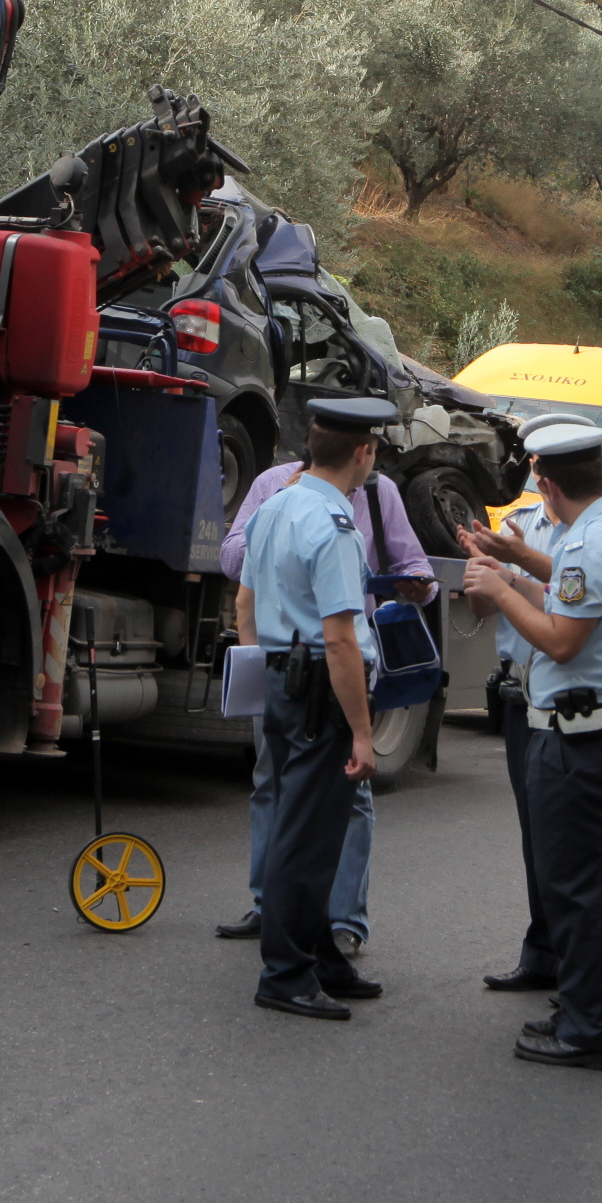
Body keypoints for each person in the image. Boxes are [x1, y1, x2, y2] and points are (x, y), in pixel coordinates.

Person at [458, 420, 602, 1071]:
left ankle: (589, 1028)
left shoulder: (587, 544)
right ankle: (587, 1000)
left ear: (545, 484)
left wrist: (498, 590)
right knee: (592, 879)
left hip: (584, 736)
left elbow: (560, 639)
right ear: (601, 470)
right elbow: (579, 599)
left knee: (574, 887)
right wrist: (521, 573)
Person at [215, 444, 436, 954]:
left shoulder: (380, 495)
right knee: (271, 782)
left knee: (350, 794)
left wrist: (416, 586)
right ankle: (270, 905)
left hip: (342, 669)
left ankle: (342, 923)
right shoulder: (274, 490)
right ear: (358, 450)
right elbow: (232, 563)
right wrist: (287, 535)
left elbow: (415, 570)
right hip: (282, 665)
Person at [235, 398, 398, 1021]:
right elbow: (340, 639)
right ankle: (285, 973)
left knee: (308, 828)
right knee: (307, 837)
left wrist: (262, 673)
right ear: (363, 454)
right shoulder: (333, 524)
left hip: (281, 681)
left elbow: (246, 603)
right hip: (318, 693)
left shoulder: (275, 505)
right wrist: (361, 730)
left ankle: (320, 956)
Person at [457, 413, 589, 995]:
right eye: (531, 465)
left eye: (540, 466)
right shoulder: (520, 526)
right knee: (538, 833)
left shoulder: (598, 531)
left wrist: (509, 580)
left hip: (568, 697)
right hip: (520, 694)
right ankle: (544, 953)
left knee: (590, 847)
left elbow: (560, 612)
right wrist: (483, 574)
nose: (534, 477)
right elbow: (486, 611)